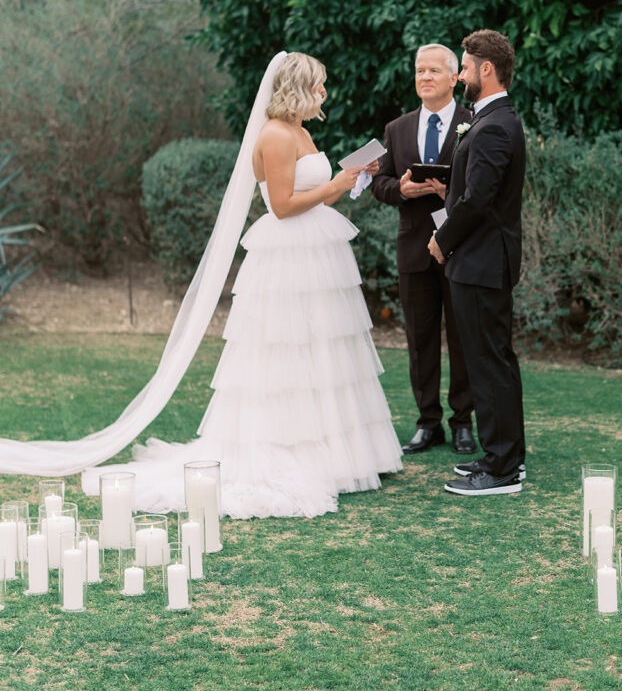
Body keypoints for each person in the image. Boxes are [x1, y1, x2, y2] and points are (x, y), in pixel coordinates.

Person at [0, 51, 402, 520]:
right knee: (286, 352)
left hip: (317, 252)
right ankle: (290, 451)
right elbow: (283, 205)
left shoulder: (303, 131)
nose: (324, 95)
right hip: (288, 257)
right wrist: (337, 184)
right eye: (318, 86)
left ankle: (339, 455)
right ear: (297, 88)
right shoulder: (273, 134)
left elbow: (312, 195)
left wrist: (349, 182)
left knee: (322, 350)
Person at [428, 30, 527, 497]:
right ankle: (502, 455)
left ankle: (503, 469)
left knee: (490, 364)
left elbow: (477, 202)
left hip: (482, 262)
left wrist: (442, 239)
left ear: (486, 70)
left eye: (464, 67)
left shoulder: (493, 126)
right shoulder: (493, 121)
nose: (459, 74)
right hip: (482, 262)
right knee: (492, 361)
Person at [371, 44, 475, 455]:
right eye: (419, 70)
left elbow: (487, 184)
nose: (425, 77)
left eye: (434, 70)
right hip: (414, 248)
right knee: (420, 340)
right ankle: (427, 422)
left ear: (454, 78)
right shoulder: (396, 129)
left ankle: (463, 422)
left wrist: (455, 191)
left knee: (463, 338)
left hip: (460, 247)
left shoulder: (474, 122)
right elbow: (379, 183)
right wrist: (401, 188)